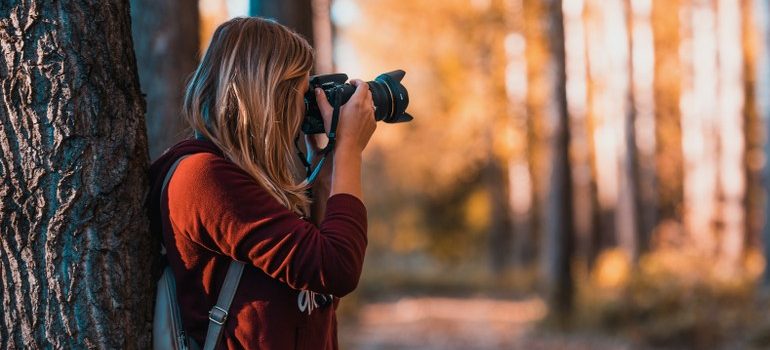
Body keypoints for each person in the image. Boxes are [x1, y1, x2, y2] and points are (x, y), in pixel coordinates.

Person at [147, 17, 375, 349]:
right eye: (300, 91)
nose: (303, 107)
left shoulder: (253, 180)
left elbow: (317, 290)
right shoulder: (203, 178)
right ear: (270, 95)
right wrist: (348, 150)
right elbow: (337, 268)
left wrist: (321, 166)